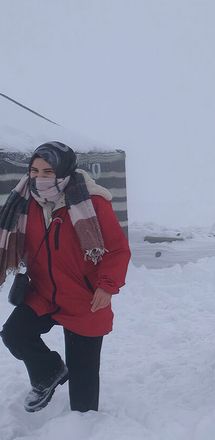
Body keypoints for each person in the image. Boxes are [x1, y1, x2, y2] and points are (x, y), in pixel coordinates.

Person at [0, 141, 130, 412]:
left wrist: (107, 286)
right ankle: (49, 370)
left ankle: (83, 428)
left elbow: (117, 250)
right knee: (14, 333)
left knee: (83, 398)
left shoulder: (92, 203)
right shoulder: (25, 203)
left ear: (64, 170)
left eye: (47, 171)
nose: (38, 177)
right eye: (34, 170)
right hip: (44, 294)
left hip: (85, 299)